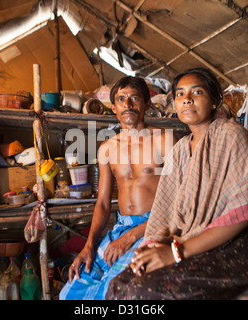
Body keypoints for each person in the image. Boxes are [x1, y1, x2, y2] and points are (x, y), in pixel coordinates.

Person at [106, 68, 248, 300]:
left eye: (197, 92)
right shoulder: (180, 150)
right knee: (119, 285)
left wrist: (175, 253)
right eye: (180, 94)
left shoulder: (232, 136)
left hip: (235, 247)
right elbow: (164, 208)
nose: (187, 99)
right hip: (189, 239)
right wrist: (151, 246)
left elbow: (247, 209)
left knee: (143, 291)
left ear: (214, 101)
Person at [59, 76, 175, 300]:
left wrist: (131, 237)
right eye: (121, 99)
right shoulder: (107, 149)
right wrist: (89, 246)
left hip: (154, 226)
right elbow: (103, 203)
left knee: (113, 289)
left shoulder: (165, 140)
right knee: (70, 292)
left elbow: (178, 200)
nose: (128, 104)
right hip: (121, 227)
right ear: (113, 107)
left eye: (134, 98)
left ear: (147, 103)